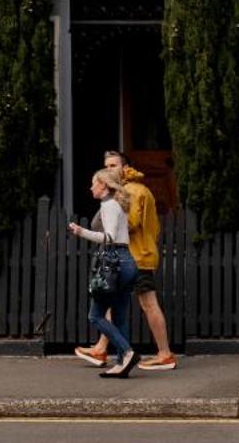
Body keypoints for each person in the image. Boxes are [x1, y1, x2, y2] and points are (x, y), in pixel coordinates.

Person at [75, 152, 177, 371]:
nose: (109, 170)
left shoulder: (130, 191)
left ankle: (165, 354)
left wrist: (106, 215)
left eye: (113, 165)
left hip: (136, 255)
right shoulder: (136, 190)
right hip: (138, 254)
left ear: (125, 167)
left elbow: (128, 224)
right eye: (106, 166)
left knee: (148, 304)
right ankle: (101, 349)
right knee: (115, 303)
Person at [69, 167, 139, 378]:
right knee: (119, 318)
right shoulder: (117, 205)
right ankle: (121, 363)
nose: (91, 187)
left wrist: (81, 232)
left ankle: (127, 353)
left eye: (94, 183)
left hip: (114, 262)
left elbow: (108, 238)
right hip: (127, 262)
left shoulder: (109, 206)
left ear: (104, 186)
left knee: (95, 315)